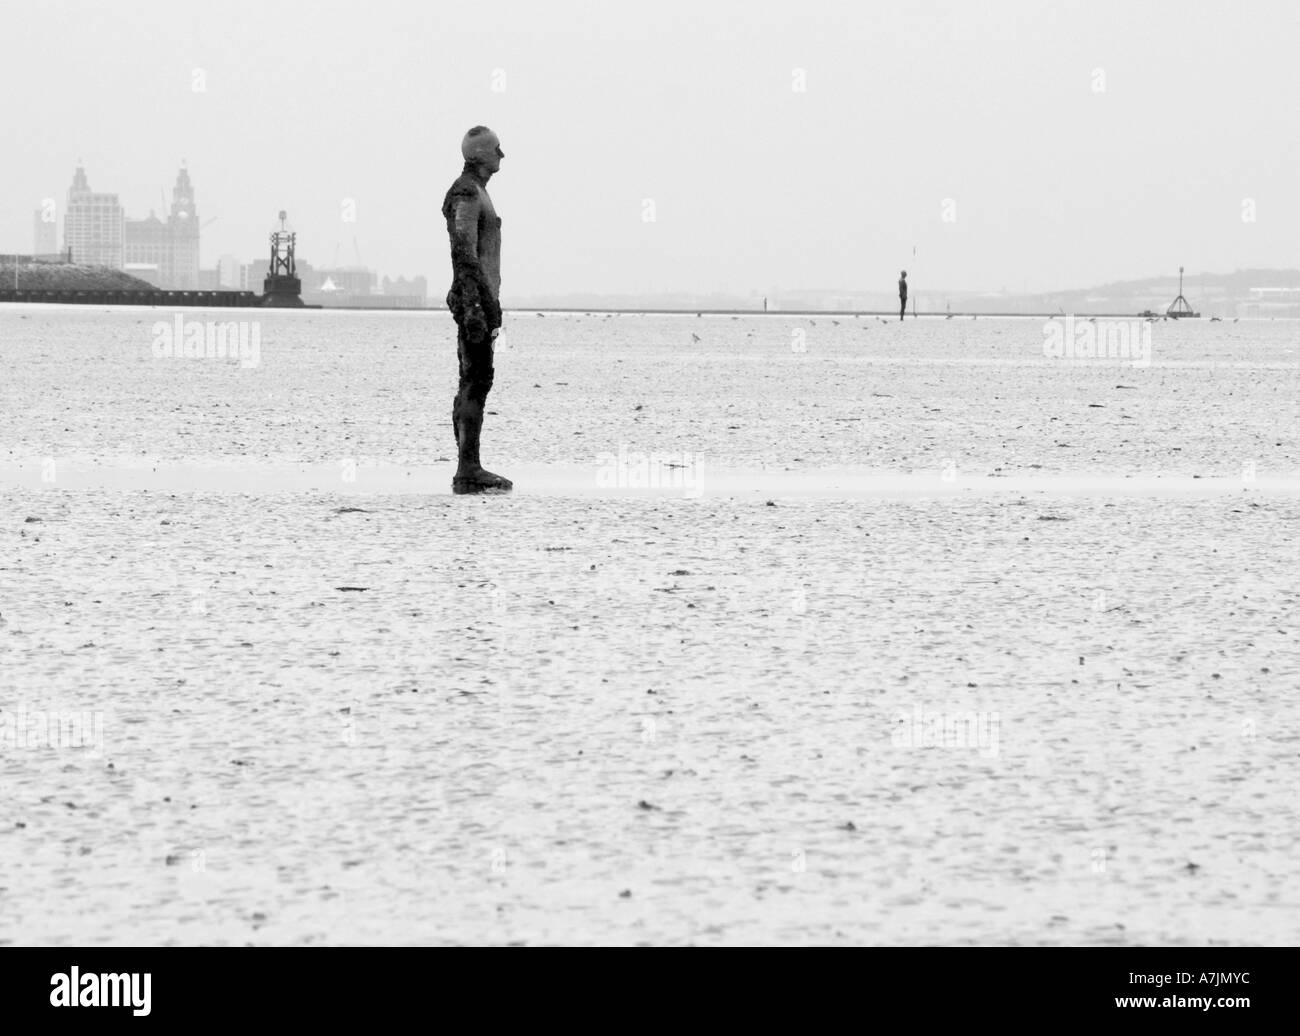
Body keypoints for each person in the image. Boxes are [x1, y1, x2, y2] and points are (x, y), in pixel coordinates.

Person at [442, 126, 511, 493]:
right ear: (479, 155)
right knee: (476, 378)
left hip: (481, 301)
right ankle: (468, 468)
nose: (503, 154)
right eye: (497, 149)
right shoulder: (467, 192)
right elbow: (464, 252)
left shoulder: (479, 192)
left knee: (476, 378)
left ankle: (469, 465)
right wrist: (474, 306)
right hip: (474, 302)